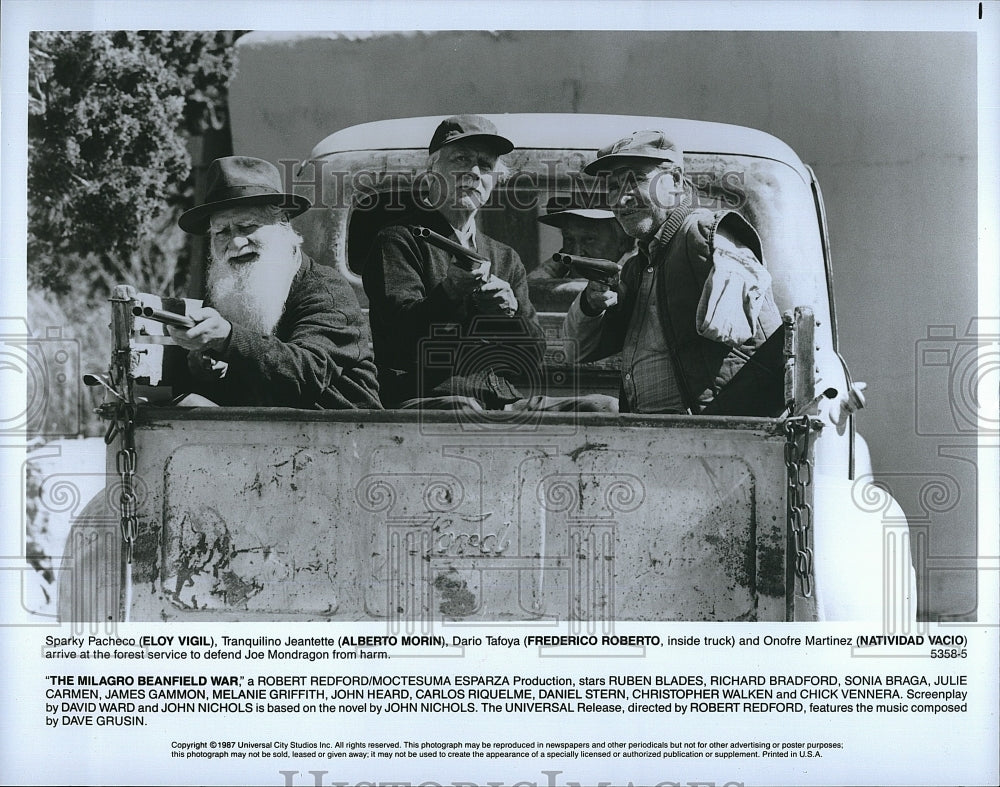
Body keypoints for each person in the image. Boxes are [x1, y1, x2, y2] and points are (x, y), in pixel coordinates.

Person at [563, 131, 782, 414]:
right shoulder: (636, 266)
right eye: (614, 186)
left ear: (676, 182)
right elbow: (575, 351)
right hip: (655, 437)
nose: (622, 199)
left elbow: (736, 323)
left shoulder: (703, 232)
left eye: (637, 180)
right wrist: (591, 306)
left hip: (709, 436)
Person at [362, 115, 547, 410]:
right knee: (464, 411)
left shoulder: (505, 258)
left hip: (499, 399)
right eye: (461, 159)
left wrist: (511, 314)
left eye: (485, 165)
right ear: (432, 170)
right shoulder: (399, 241)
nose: (473, 172)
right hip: (425, 396)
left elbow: (532, 360)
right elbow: (399, 335)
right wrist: (449, 293)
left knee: (600, 407)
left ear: (494, 179)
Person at [174, 156, 381, 409]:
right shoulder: (223, 292)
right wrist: (202, 365)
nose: (236, 242)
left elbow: (305, 376)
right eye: (222, 232)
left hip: (344, 438)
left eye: (247, 226)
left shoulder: (326, 289)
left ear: (282, 221)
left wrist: (228, 338)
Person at [530, 195, 636, 280]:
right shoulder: (559, 280)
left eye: (589, 239)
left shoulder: (637, 283)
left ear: (623, 242)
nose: (576, 253)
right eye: (569, 240)